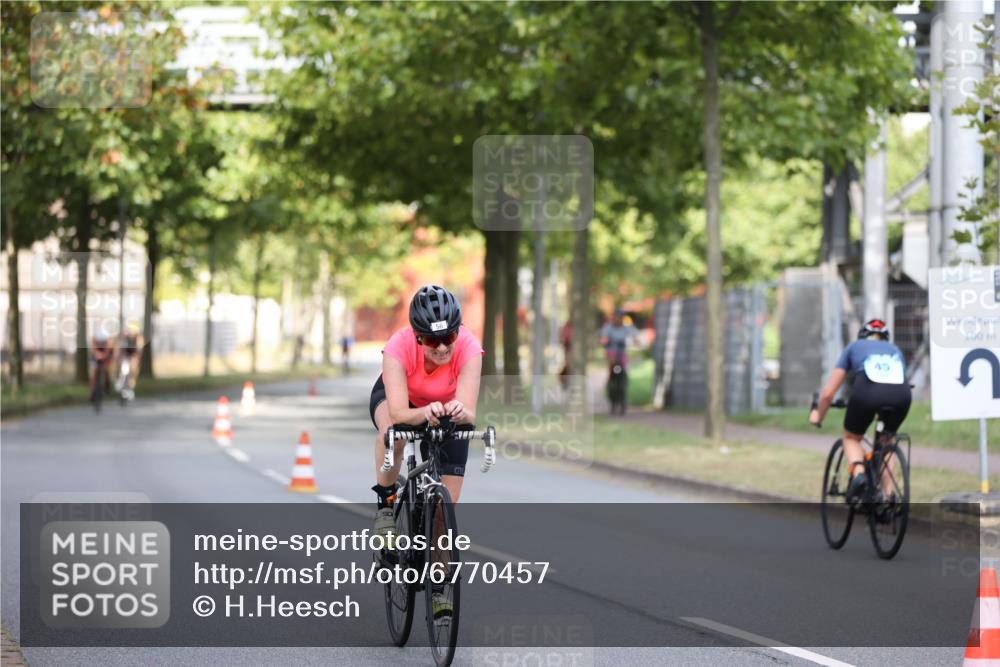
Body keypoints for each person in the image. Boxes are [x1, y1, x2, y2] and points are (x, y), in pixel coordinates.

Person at [368, 285, 483, 613]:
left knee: (442, 518)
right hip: (402, 404)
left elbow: (470, 410)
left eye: (450, 336)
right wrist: (425, 412)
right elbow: (401, 412)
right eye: (433, 340)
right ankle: (386, 510)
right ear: (418, 337)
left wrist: (458, 413)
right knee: (394, 434)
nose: (444, 346)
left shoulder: (470, 348)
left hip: (446, 412)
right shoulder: (398, 347)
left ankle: (439, 589)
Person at [809, 319, 911, 501]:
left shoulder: (853, 347)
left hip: (868, 391)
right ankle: (887, 498)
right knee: (887, 442)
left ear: (862, 336)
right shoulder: (895, 349)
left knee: (851, 437)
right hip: (901, 394)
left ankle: (859, 476)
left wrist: (818, 415)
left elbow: (828, 394)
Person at [599, 308, 641, 373]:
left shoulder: (626, 328)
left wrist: (637, 343)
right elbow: (603, 339)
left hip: (622, 351)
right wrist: (604, 342)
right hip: (611, 350)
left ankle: (623, 378)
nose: (617, 319)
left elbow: (634, 336)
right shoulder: (608, 327)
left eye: (620, 317)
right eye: (616, 317)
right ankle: (611, 379)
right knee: (612, 366)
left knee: (624, 367)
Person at [118, 321, 143, 396]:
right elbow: (120, 347)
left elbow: (139, 348)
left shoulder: (139, 338)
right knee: (123, 368)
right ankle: (120, 381)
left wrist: (137, 357)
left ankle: (131, 388)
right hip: (126, 355)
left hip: (133, 355)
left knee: (133, 371)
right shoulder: (125, 336)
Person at [90, 331, 115, 399]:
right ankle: (93, 391)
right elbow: (93, 350)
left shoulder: (108, 342)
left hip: (106, 357)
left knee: (106, 370)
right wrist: (97, 354)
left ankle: (107, 387)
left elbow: (108, 351)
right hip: (96, 357)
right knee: (94, 373)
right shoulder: (95, 340)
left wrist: (104, 356)